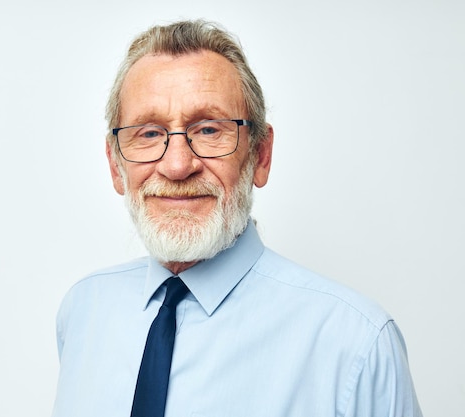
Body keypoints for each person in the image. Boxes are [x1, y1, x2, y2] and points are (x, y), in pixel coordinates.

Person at [52, 19, 422, 417]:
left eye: (209, 129)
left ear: (260, 156)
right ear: (114, 165)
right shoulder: (84, 312)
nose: (177, 165)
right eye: (149, 133)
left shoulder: (357, 345)